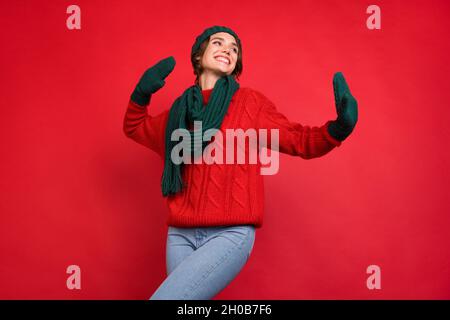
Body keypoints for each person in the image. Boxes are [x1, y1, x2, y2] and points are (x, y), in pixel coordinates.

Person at [123, 25, 358, 300]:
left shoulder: (250, 104)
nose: (227, 50)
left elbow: (300, 139)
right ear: (198, 56)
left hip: (229, 234)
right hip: (180, 235)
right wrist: (141, 93)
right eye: (218, 43)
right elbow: (135, 126)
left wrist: (339, 128)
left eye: (234, 49)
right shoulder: (178, 112)